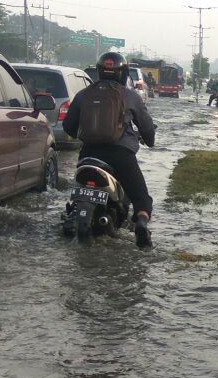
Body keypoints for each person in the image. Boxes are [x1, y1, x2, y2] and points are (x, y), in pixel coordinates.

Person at [62, 52, 157, 248]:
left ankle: (74, 212)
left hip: (88, 154)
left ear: (99, 72)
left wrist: (84, 136)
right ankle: (140, 222)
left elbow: (68, 126)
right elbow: (146, 127)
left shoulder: (83, 94)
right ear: (123, 74)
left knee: (78, 192)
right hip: (121, 155)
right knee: (141, 196)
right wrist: (150, 140)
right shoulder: (130, 96)